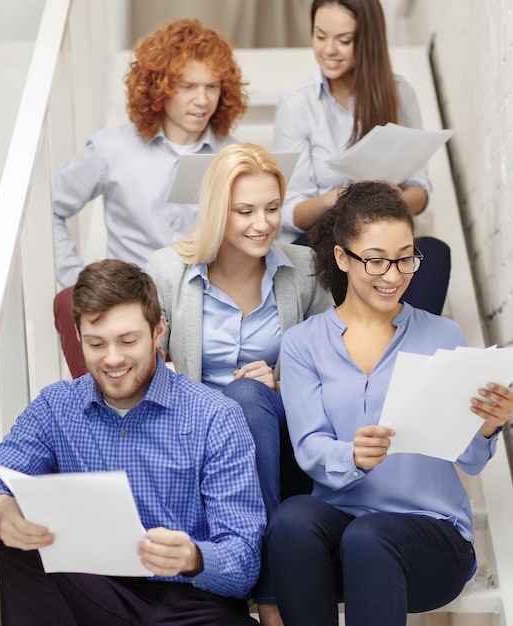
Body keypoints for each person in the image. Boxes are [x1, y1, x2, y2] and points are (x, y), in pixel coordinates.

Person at [266, 181, 513, 626]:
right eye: (376, 260)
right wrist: (352, 455)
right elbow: (309, 448)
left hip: (431, 541)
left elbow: (470, 460)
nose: (394, 275)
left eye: (405, 258)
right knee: (292, 519)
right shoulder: (303, 344)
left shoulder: (443, 336)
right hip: (343, 535)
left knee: (370, 536)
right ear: (342, 258)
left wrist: (488, 427)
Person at [0, 259, 266, 626]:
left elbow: (244, 561)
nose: (113, 358)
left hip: (191, 601)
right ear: (78, 336)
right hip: (96, 591)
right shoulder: (55, 407)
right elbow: (0, 471)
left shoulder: (215, 416)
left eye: (127, 340)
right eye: (96, 343)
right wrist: (1, 506)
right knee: (11, 537)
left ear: (158, 332)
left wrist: (193, 557)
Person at [146, 143, 333, 626]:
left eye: (272, 208)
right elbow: (148, 364)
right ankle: (267, 593)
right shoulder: (167, 271)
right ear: (216, 211)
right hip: (197, 434)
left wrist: (282, 380)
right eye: (245, 210)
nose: (263, 224)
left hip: (278, 426)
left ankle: (268, 592)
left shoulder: (305, 270)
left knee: (250, 398)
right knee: (237, 403)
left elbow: (332, 361)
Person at [53, 18, 248, 378]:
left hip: (204, 301)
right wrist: (75, 276)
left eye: (212, 86)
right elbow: (48, 209)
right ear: (158, 87)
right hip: (126, 298)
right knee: (71, 301)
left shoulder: (235, 156)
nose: (202, 100)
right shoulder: (111, 149)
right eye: (187, 86)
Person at [274, 0, 450, 315]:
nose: (328, 49)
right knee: (320, 260)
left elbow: (420, 190)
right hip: (323, 239)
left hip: (384, 235)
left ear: (367, 40)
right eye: (320, 35)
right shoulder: (297, 106)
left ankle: (396, 353)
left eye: (343, 40)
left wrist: (395, 198)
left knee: (434, 256)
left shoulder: (398, 93)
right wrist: (343, 198)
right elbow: (292, 212)